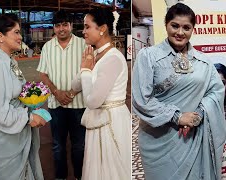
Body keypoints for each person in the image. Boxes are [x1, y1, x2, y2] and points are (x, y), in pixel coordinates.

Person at [132, 3, 226, 180]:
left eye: (186, 27)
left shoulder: (203, 62)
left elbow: (216, 91)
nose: (180, 32)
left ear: (193, 30)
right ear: (166, 24)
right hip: (158, 140)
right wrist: (177, 116)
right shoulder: (149, 56)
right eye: (175, 25)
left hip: (192, 138)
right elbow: (141, 100)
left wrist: (198, 114)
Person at [0, 15, 47, 180]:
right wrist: (28, 117)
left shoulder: (9, 61)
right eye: (15, 32)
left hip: (13, 136)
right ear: (0, 37)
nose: (20, 37)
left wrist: (32, 97)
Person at [71, 8, 131, 180]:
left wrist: (86, 71)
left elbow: (93, 101)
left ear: (102, 28)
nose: (83, 31)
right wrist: (85, 67)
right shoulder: (96, 55)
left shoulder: (112, 58)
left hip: (110, 122)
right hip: (99, 120)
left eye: (87, 26)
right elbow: (75, 84)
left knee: (111, 171)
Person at [37, 10, 86, 180]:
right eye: (58, 25)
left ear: (71, 25)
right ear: (54, 28)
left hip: (79, 104)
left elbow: (89, 72)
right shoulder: (47, 47)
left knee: (79, 145)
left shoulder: (83, 45)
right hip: (55, 105)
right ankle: (61, 177)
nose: (61, 29)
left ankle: (80, 176)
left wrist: (72, 93)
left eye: (65, 24)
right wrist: (56, 92)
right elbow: (43, 74)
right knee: (57, 146)